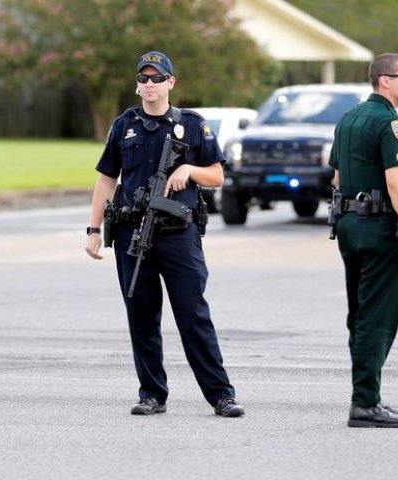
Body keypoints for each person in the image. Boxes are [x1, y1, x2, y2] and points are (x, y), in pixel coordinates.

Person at [84, 51, 244, 418]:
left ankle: (221, 395)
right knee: (141, 316)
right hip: (132, 232)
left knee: (193, 315)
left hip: (178, 234)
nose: (149, 85)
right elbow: (107, 178)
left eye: (157, 78)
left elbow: (218, 175)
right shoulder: (124, 125)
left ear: (171, 82)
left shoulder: (192, 124)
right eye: (143, 78)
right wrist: (94, 230)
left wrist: (189, 169)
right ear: (137, 84)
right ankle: (152, 393)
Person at [329, 53, 398, 428]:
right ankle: (366, 402)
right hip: (381, 228)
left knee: (359, 313)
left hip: (350, 225)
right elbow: (396, 181)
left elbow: (337, 177)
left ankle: (365, 395)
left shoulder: (348, 118)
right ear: (385, 81)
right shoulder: (392, 123)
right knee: (379, 316)